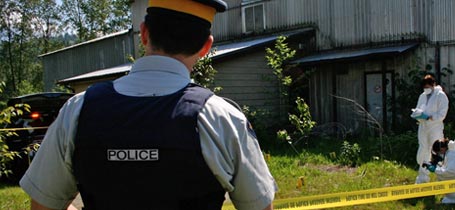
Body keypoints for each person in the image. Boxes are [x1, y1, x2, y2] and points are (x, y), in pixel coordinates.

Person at [19, 1, 277, 210]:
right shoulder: (223, 118)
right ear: (206, 47)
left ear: (143, 33)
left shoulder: (78, 109)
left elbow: (43, 204)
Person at [411, 74, 449, 184]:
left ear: (433, 84)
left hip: (435, 127)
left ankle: (444, 177)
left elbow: (442, 114)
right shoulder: (422, 96)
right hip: (423, 126)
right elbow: (418, 109)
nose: (426, 89)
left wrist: (431, 117)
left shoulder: (440, 95)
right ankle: (422, 178)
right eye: (424, 87)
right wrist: (418, 115)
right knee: (423, 149)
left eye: (428, 86)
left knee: (437, 151)